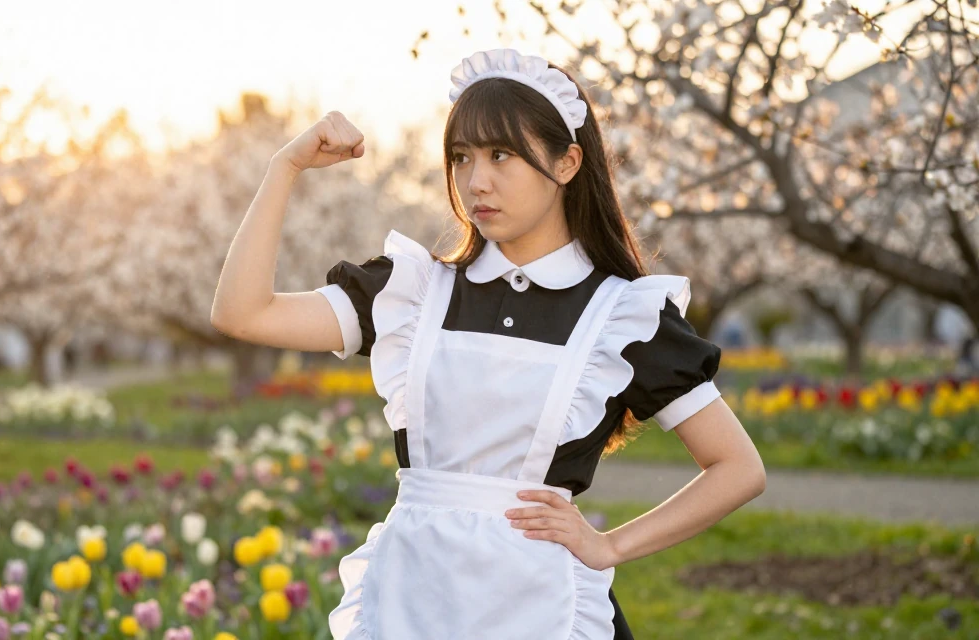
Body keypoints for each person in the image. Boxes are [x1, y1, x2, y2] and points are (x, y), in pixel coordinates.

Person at [210, 48, 766, 640]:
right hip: (412, 602)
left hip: (543, 609)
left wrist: (610, 546)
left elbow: (738, 468)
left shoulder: (621, 316)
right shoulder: (415, 293)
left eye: (501, 155)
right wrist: (285, 168)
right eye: (461, 157)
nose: (476, 181)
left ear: (567, 163)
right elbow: (243, 314)